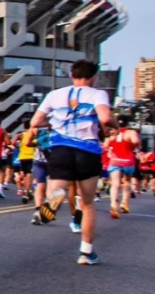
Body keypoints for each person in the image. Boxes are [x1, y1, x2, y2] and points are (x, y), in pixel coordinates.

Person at [33, 59, 115, 265]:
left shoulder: (54, 95)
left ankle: (54, 199)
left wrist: (55, 120)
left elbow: (35, 122)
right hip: (87, 151)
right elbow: (105, 118)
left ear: (72, 76)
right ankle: (86, 253)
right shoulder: (97, 94)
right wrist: (116, 125)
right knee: (87, 203)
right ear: (93, 77)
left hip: (61, 149)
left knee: (58, 188)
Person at [106, 118, 140, 219]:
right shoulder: (131, 132)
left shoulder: (112, 133)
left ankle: (113, 204)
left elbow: (106, 146)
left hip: (115, 161)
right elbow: (136, 141)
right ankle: (124, 202)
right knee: (127, 182)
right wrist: (132, 147)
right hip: (128, 161)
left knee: (115, 183)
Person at [15, 126, 37, 203]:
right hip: (31, 157)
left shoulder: (21, 135)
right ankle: (27, 192)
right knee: (29, 175)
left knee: (24, 176)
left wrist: (18, 147)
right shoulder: (34, 135)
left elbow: (12, 142)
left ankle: (27, 191)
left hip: (22, 157)